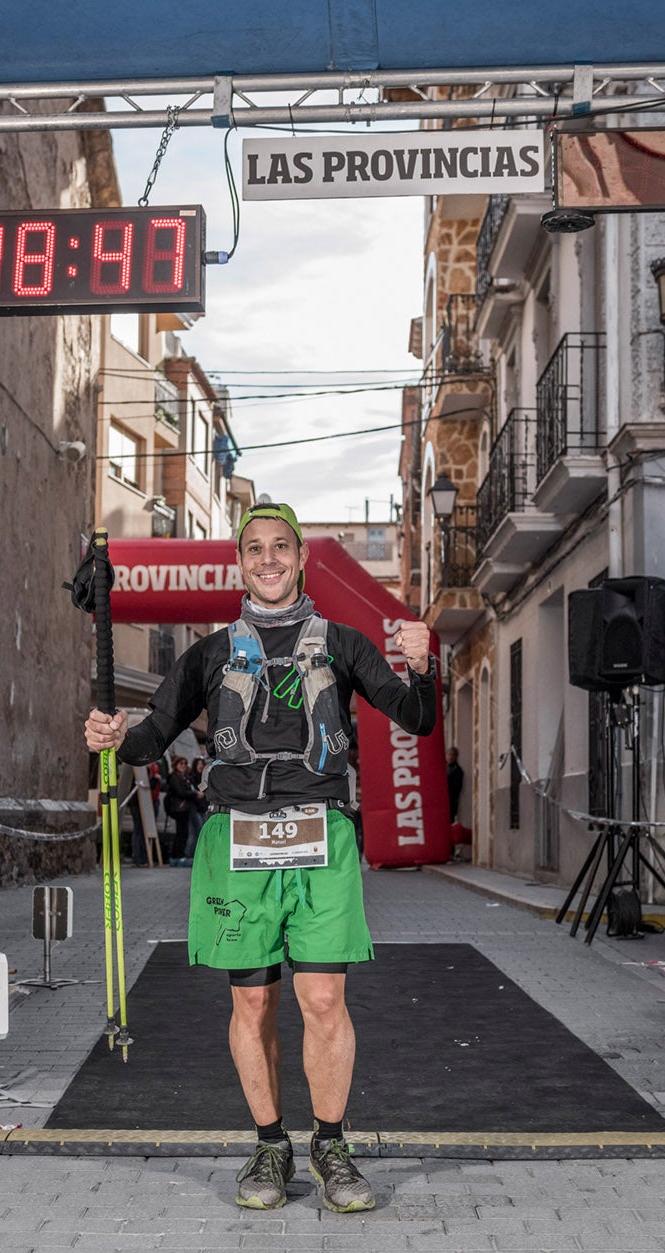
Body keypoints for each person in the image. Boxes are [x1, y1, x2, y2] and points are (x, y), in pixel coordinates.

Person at [83, 502, 438, 1212]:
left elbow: (418, 718)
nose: (269, 558)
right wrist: (112, 734)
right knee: (252, 999)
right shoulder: (211, 653)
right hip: (236, 836)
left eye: (282, 546)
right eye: (255, 548)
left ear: (301, 556)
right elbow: (155, 732)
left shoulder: (342, 643)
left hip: (322, 835)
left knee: (323, 997)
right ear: (240, 562)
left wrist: (424, 667)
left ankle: (331, 1143)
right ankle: (270, 1143)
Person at [164, 756, 200, 866]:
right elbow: (180, 792)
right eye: (181, 763)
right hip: (179, 808)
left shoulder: (183, 776)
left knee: (183, 833)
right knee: (182, 833)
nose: (183, 765)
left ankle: (177, 857)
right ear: (175, 765)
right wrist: (194, 794)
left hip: (183, 808)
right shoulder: (174, 777)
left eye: (185, 763)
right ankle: (178, 856)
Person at [446, 746, 466, 824]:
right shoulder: (443, 767)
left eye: (453, 755)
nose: (450, 757)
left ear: (456, 756)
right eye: (449, 754)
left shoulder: (458, 771)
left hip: (451, 802)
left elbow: (456, 789)